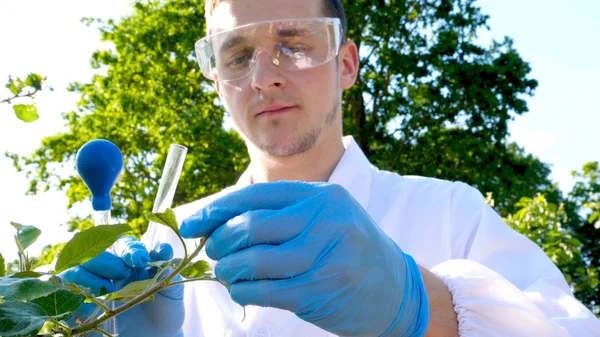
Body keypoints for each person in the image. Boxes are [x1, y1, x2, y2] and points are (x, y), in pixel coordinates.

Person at [61, 0, 600, 336]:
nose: (264, 77)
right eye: (237, 54)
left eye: (293, 44)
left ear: (345, 65)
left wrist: (425, 310)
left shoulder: (450, 212)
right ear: (216, 78)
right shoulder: (170, 249)